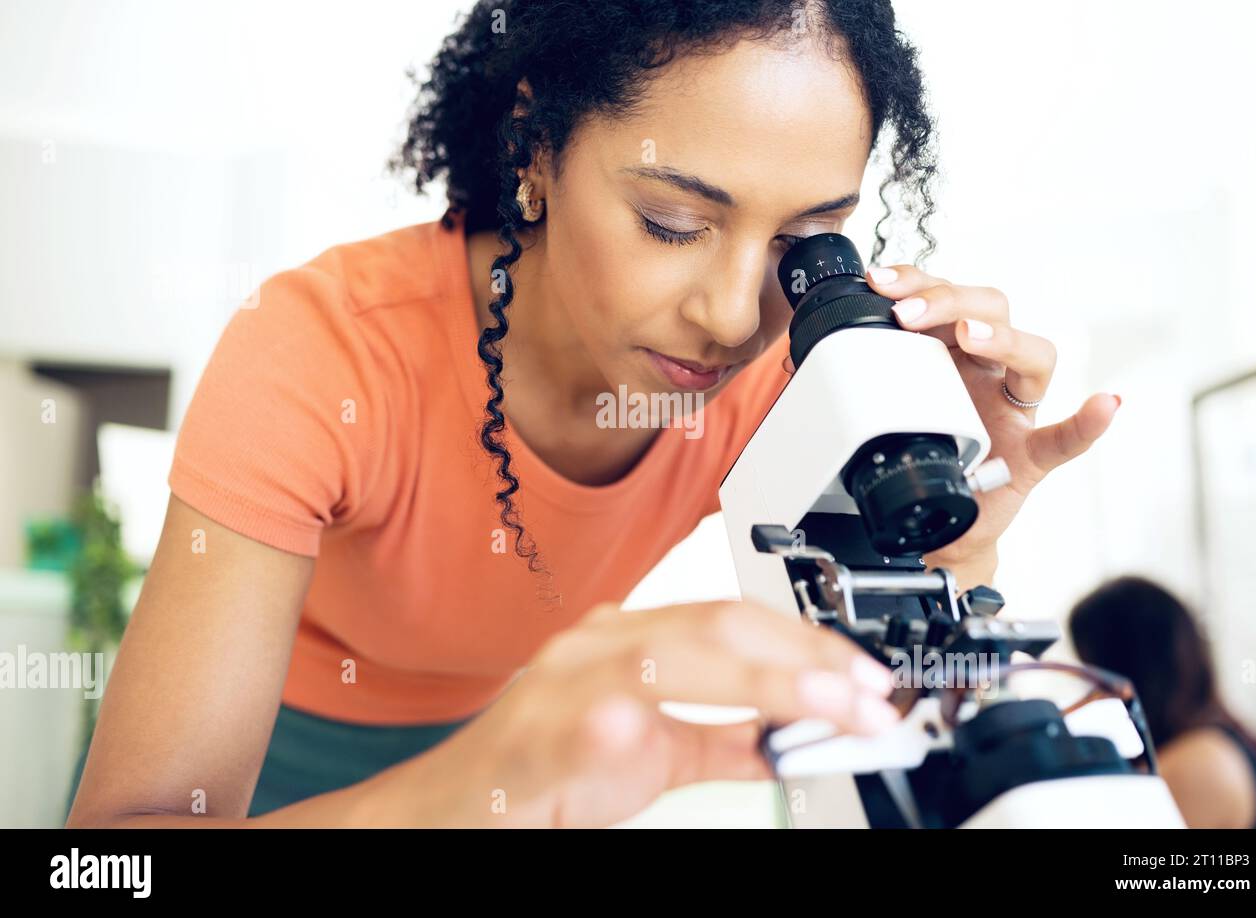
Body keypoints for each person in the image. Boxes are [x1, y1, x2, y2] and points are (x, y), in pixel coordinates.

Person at [66, 0, 1118, 828]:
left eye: (804, 243)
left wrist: (945, 540)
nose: (727, 315)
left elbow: (893, 713)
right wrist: (465, 791)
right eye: (671, 223)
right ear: (535, 141)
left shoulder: (773, 387)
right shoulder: (321, 351)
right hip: (288, 777)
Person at [1069, 575, 1256, 829]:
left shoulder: (1195, 764)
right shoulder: (1219, 740)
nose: (1092, 694)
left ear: (1123, 670)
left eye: (1091, 673)